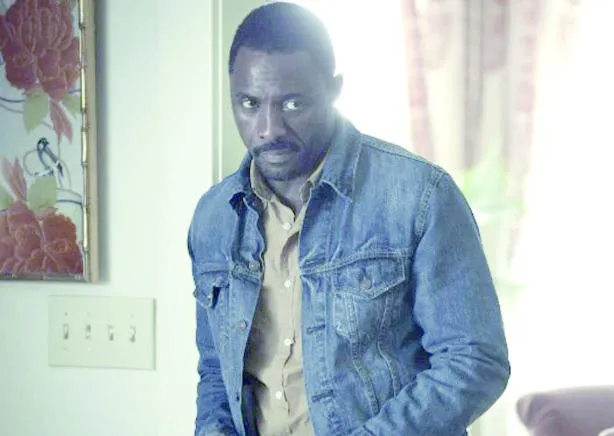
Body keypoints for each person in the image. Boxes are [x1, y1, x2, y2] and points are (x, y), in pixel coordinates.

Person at [188, 3, 510, 435]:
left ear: (333, 90)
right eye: (249, 103)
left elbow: (475, 360)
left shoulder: (418, 196)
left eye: (292, 103)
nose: (268, 128)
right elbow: (216, 371)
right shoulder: (214, 218)